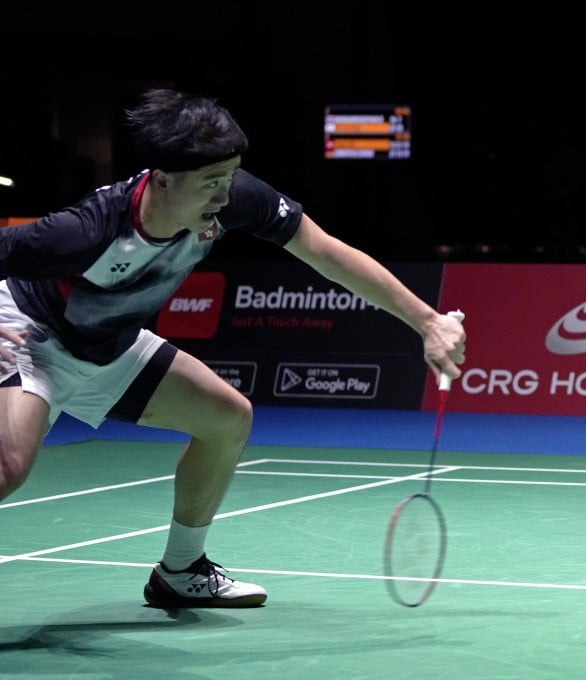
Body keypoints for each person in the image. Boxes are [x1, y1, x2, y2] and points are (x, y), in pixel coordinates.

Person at [0, 89, 467, 607]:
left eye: (228, 177)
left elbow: (327, 254)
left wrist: (425, 320)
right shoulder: (87, 230)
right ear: (163, 179)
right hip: (33, 335)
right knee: (10, 466)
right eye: (210, 184)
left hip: (109, 344)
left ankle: (180, 571)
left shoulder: (236, 198)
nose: (225, 196)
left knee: (227, 417)